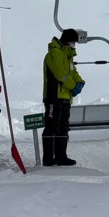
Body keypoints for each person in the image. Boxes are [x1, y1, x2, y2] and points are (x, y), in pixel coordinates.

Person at [42, 28, 84, 167]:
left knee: (63, 127)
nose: (74, 44)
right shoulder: (54, 53)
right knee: (52, 126)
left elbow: (73, 72)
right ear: (67, 40)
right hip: (53, 96)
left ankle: (61, 156)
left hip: (65, 97)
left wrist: (80, 82)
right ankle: (48, 158)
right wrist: (73, 86)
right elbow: (60, 74)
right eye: (73, 42)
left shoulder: (68, 56)